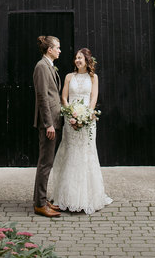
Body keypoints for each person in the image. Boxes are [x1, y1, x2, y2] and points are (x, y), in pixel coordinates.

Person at [48, 48, 112, 214]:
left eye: (80, 58)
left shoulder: (93, 77)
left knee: (86, 154)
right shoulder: (69, 77)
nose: (77, 60)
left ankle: (87, 197)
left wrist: (85, 116)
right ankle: (67, 197)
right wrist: (71, 114)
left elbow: (93, 98)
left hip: (88, 121)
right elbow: (64, 98)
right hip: (71, 121)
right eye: (76, 58)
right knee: (71, 154)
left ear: (87, 60)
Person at [32, 35, 63, 218]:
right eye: (57, 47)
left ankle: (42, 200)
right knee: (45, 163)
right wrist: (48, 124)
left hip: (53, 121)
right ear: (49, 49)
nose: (60, 50)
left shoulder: (48, 66)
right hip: (48, 123)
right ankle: (40, 204)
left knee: (47, 163)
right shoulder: (41, 67)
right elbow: (42, 97)